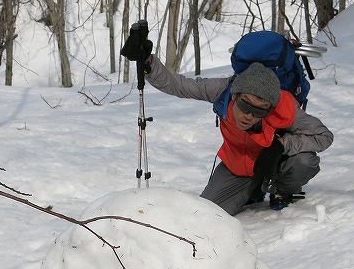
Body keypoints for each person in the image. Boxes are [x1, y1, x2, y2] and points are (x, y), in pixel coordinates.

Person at [120, 24, 334, 214]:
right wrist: (147, 60)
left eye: (259, 111)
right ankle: (252, 190)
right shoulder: (222, 90)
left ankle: (281, 191)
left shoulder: (285, 107)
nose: (249, 115)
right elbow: (177, 85)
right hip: (238, 166)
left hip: (275, 163)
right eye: (244, 105)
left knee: (305, 161)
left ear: (270, 107)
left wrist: (281, 145)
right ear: (235, 96)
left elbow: (324, 136)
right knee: (205, 214)